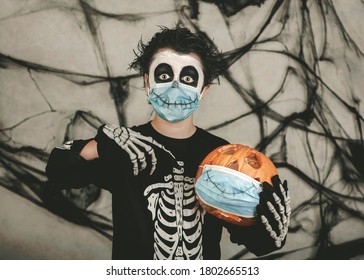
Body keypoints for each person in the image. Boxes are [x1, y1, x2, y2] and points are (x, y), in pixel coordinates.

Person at [46, 25, 290, 260]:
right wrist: (100, 145)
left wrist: (264, 232)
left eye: (187, 77)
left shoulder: (222, 157)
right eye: (164, 75)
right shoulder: (126, 147)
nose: (175, 87)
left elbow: (248, 235)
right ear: (146, 82)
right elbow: (59, 173)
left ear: (203, 90)